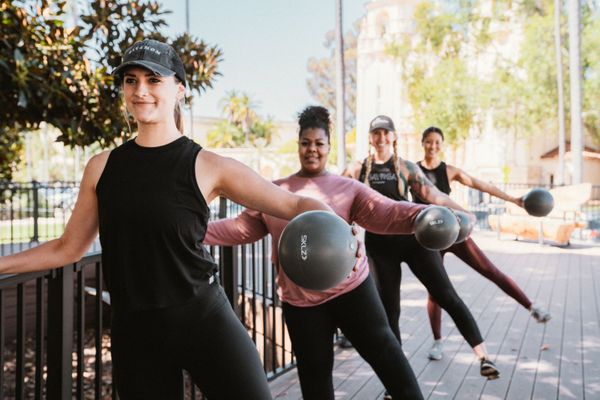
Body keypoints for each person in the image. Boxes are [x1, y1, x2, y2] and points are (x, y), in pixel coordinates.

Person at [0, 39, 340, 400]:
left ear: (179, 89)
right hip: (135, 331)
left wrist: (341, 235)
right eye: (130, 80)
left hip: (202, 318)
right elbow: (69, 248)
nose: (140, 90)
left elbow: (294, 205)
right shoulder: (101, 168)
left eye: (153, 79)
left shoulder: (208, 166)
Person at [204, 106, 427, 400]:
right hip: (300, 302)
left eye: (319, 144)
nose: (312, 150)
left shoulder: (347, 188)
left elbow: (387, 212)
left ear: (328, 147)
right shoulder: (275, 190)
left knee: (389, 358)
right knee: (315, 379)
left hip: (352, 291)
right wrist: (194, 233)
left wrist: (429, 215)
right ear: (298, 145)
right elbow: (243, 227)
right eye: (306, 143)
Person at [344, 115, 500, 380]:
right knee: (389, 311)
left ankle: (483, 356)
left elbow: (434, 195)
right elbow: (337, 198)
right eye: (376, 133)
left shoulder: (405, 168)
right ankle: (397, 380)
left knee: (446, 295)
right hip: (380, 248)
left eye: (386, 133)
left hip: (413, 239)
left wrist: (464, 212)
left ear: (393, 137)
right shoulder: (356, 169)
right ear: (370, 138)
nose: (381, 138)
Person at [415, 126, 551, 361]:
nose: (433, 146)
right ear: (423, 143)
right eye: (429, 141)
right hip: (429, 237)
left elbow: (481, 185)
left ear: (442, 144)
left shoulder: (450, 171)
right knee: (435, 291)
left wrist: (513, 199)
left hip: (454, 231)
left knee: (490, 270)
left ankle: (532, 306)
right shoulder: (412, 171)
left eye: (437, 142)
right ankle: (437, 342)